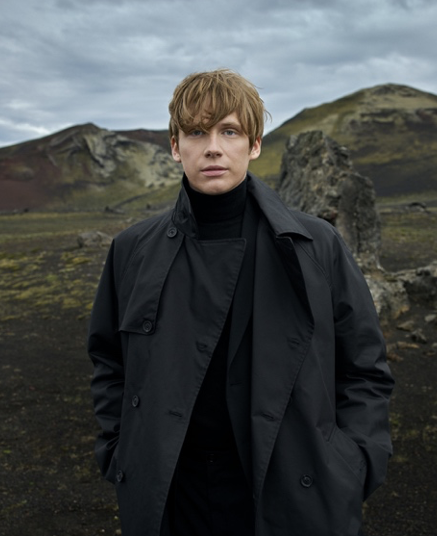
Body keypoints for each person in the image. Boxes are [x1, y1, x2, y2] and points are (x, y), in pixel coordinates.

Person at [87, 68, 394, 536]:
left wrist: (352, 462)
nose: (213, 147)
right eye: (196, 132)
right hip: (173, 491)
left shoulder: (315, 246)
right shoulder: (132, 250)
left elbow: (364, 367)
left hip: (290, 484)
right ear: (175, 147)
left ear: (254, 145)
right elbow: (110, 362)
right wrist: (119, 449)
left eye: (229, 131)